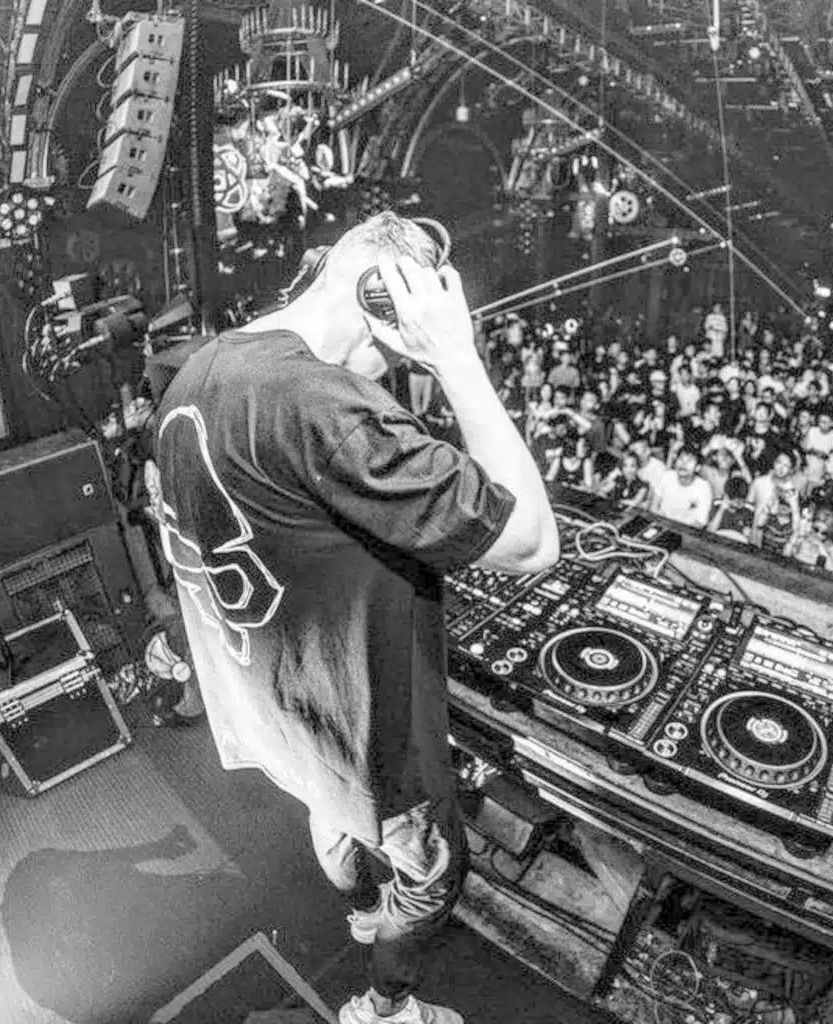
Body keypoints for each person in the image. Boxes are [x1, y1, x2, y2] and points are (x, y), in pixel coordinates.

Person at [152, 212, 559, 1024]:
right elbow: (530, 542)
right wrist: (457, 359)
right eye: (397, 344)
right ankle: (384, 1008)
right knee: (433, 875)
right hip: (373, 740)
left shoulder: (200, 370)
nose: (392, 369)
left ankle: (364, 907)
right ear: (381, 299)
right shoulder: (321, 403)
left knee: (332, 816)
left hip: (284, 717)